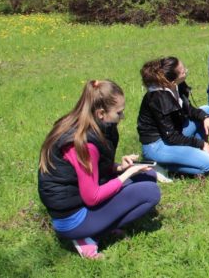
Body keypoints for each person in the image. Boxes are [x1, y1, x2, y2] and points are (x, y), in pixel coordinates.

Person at [38, 80, 161, 259]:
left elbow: (84, 171)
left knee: (148, 175)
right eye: (119, 113)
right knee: (150, 193)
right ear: (101, 113)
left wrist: (119, 167)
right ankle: (86, 236)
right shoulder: (84, 143)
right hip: (72, 218)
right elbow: (92, 197)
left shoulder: (91, 125)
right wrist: (126, 174)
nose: (123, 117)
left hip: (77, 200)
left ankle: (97, 225)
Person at [137, 56, 209, 176]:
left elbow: (188, 109)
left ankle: (196, 154)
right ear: (172, 80)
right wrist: (200, 144)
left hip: (175, 131)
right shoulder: (159, 98)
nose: (185, 70)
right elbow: (171, 138)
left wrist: (205, 118)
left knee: (207, 111)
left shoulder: (176, 84)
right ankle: (160, 166)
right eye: (182, 71)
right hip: (158, 145)